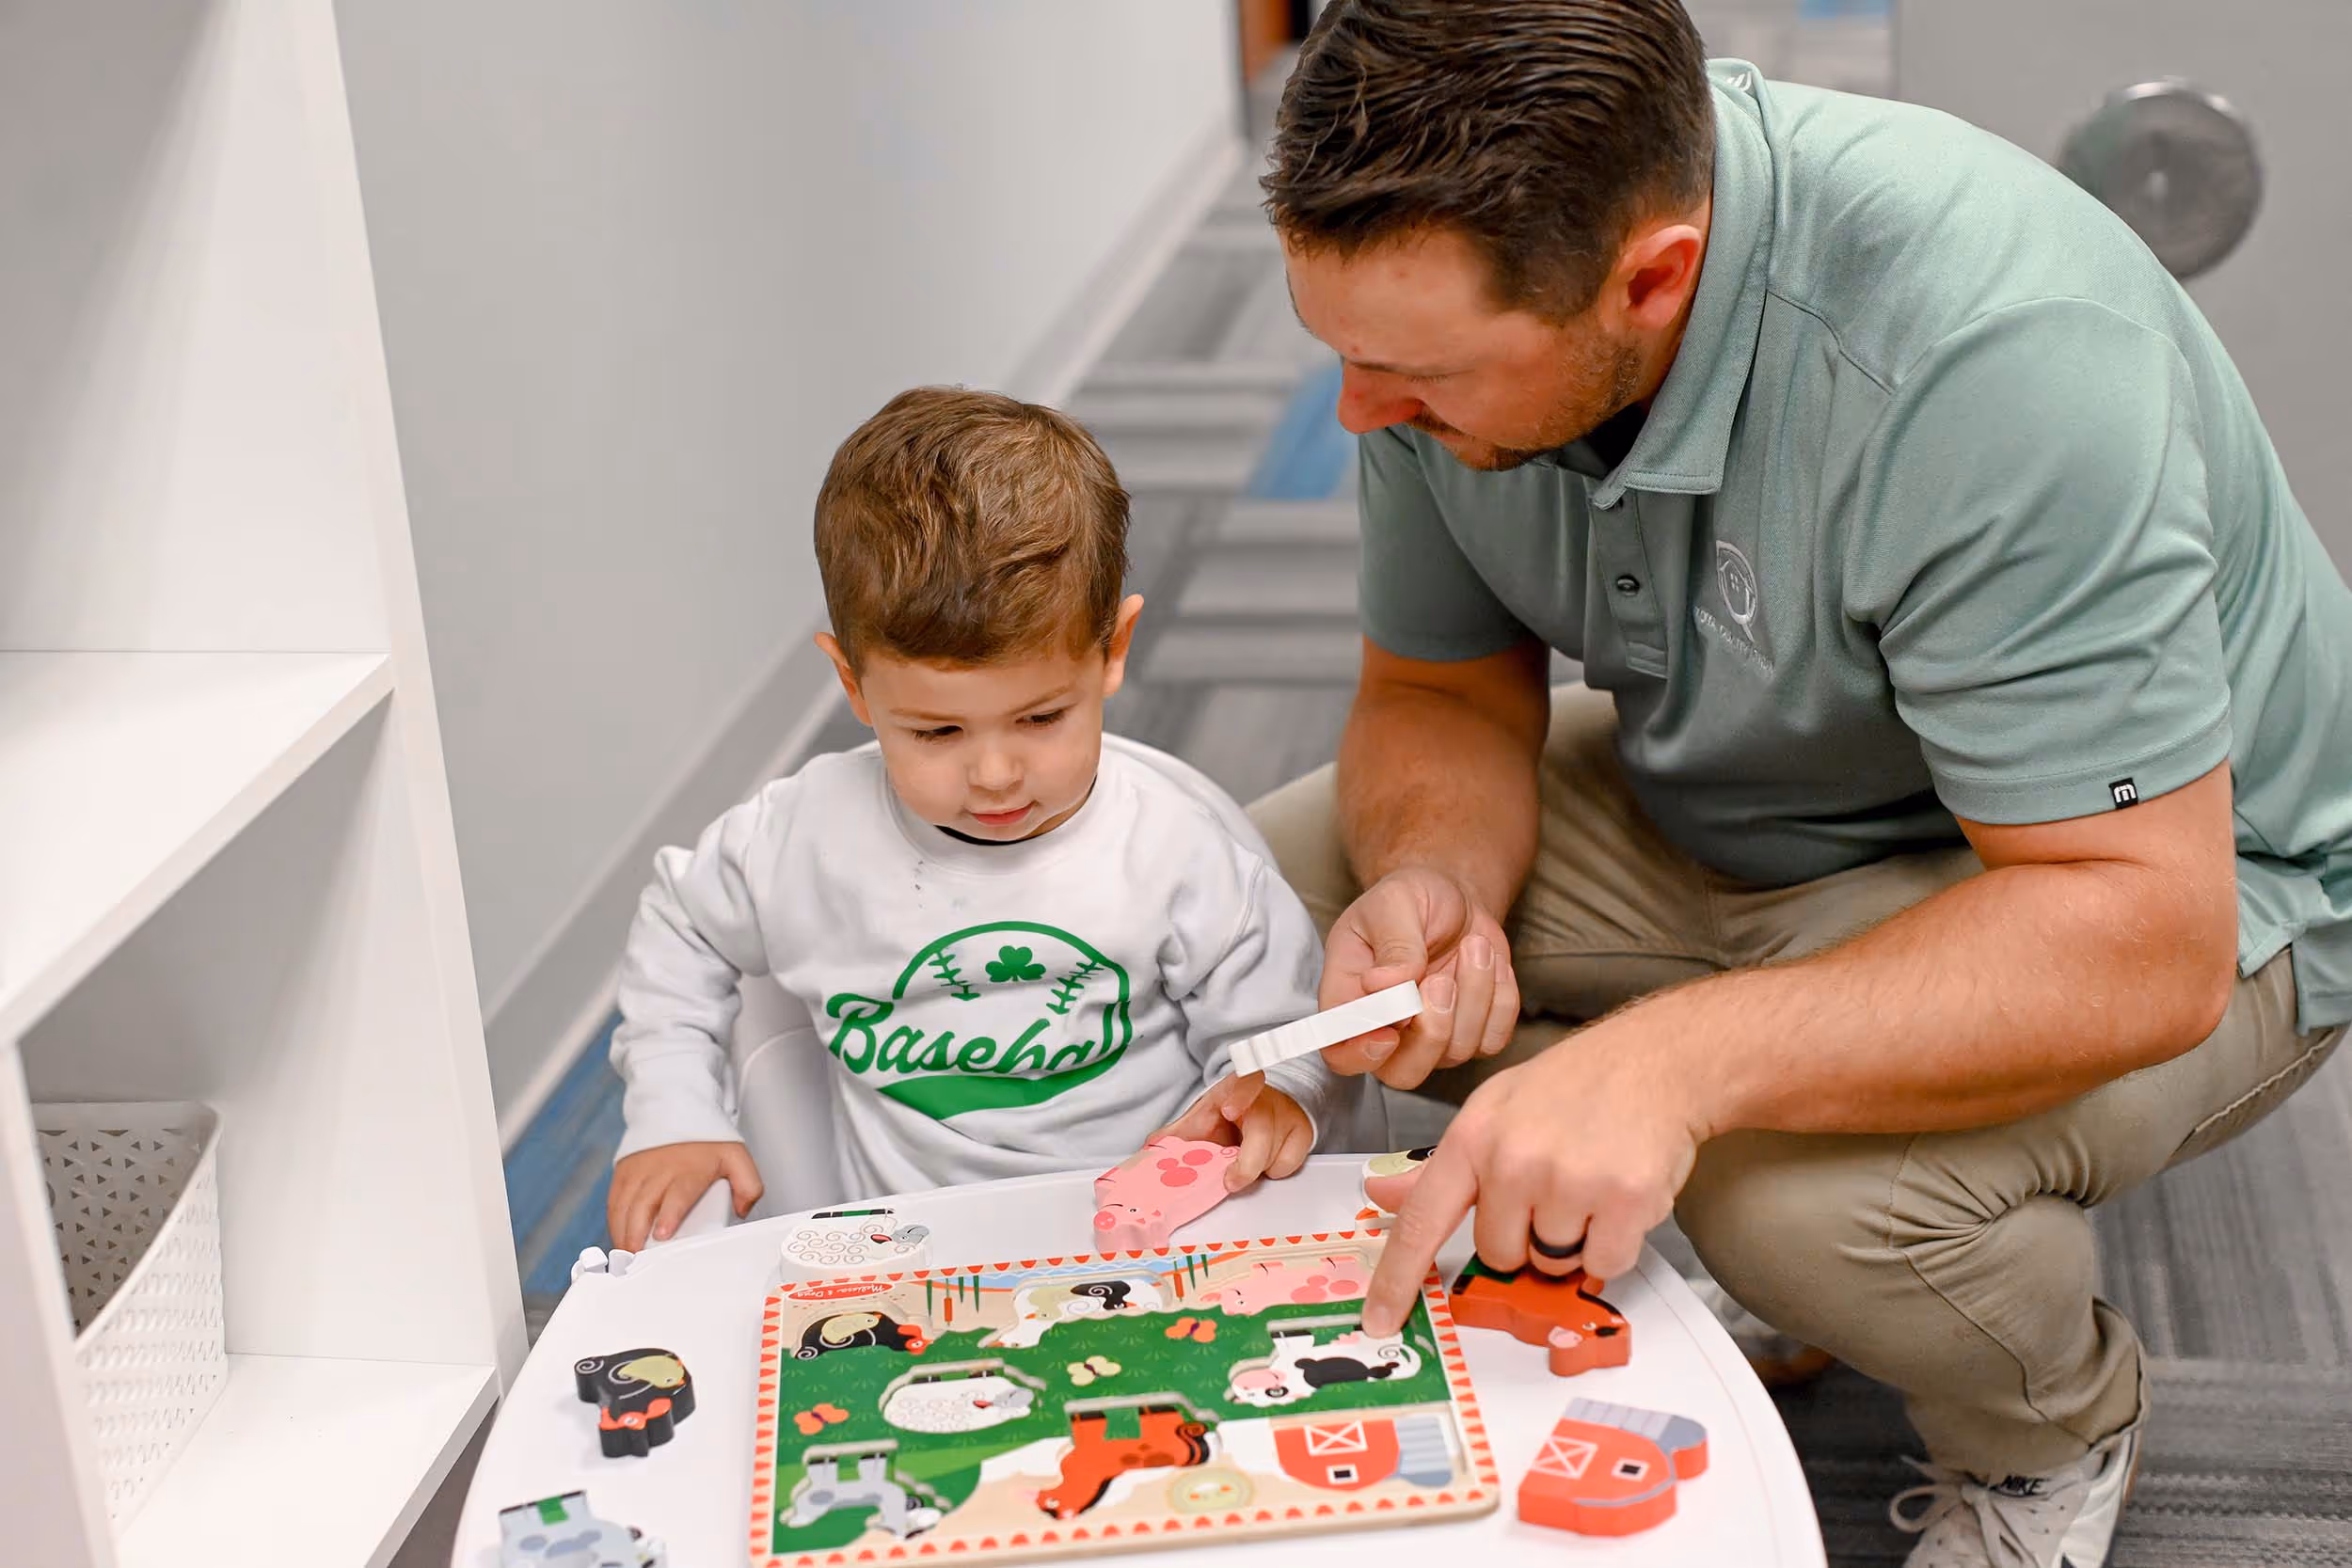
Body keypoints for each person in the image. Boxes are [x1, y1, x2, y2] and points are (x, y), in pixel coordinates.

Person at [1248, 3, 2352, 1563]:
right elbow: (1435, 690)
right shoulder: (1441, 316)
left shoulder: (1998, 353)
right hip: (1751, 796)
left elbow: (2139, 931)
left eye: (1414, 376)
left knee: (1797, 1207)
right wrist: (1438, 877)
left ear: (1653, 278)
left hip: (2172, 882)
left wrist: (1671, 1070)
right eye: (1344, 357)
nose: (1359, 416)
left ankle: (2051, 1435)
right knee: (1261, 897)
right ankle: (1733, 1156)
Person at [607, 387, 1377, 1252]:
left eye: (1042, 718)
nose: (996, 773)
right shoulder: (802, 839)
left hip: (1159, 1245)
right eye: (936, 731)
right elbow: (683, 924)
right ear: (852, 683)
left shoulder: (1175, 851)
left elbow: (1282, 1035)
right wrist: (673, 1110)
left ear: (1113, 652)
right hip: (902, 1258)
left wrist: (1275, 1097)